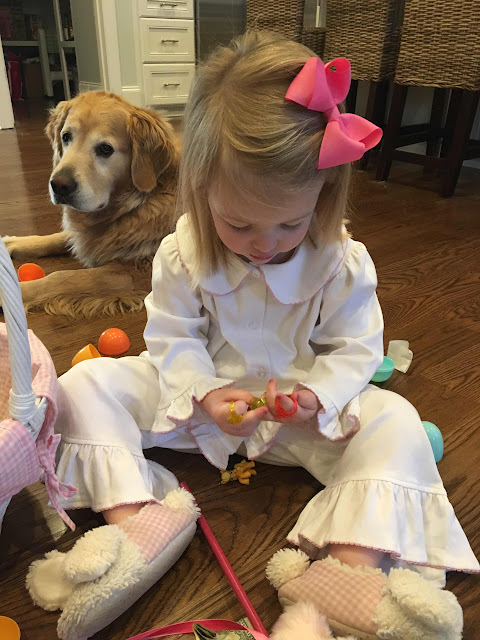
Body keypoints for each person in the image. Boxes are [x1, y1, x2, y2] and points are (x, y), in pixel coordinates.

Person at [46, 31, 478, 638]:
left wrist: (318, 396)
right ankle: (137, 519)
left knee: (396, 421)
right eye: (238, 222)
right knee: (86, 382)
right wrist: (203, 390)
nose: (264, 244)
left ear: (323, 199)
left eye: (290, 224)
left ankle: (348, 569)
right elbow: (171, 337)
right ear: (200, 191)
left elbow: (356, 347)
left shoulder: (341, 261)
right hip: (199, 411)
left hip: (298, 416)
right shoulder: (181, 253)